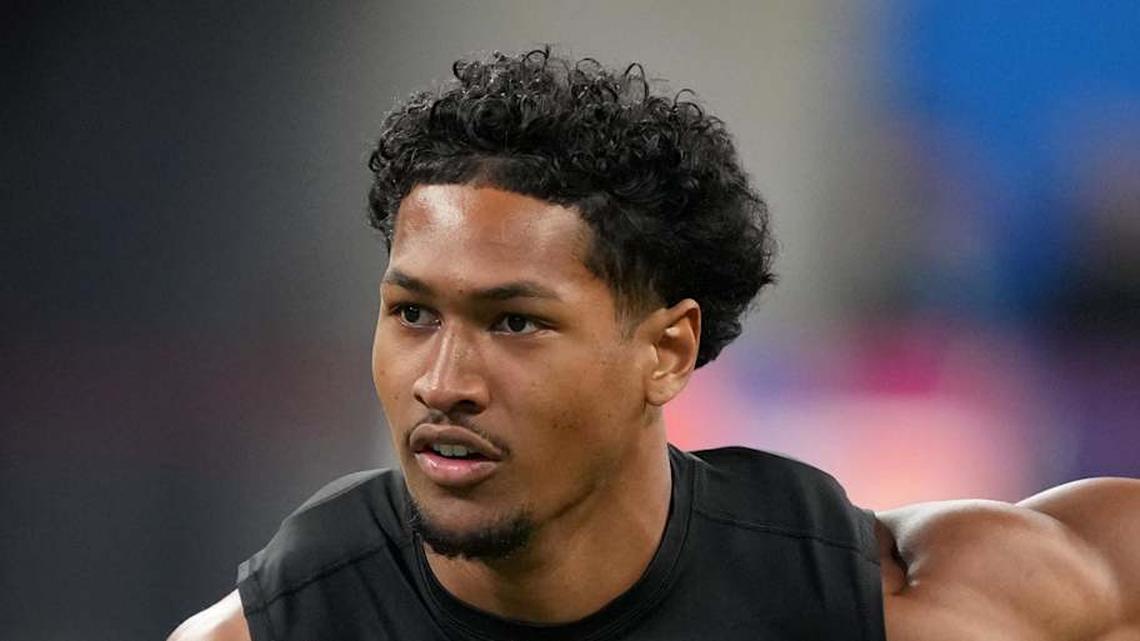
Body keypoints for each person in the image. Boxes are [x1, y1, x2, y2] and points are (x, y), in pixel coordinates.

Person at [169, 48, 1139, 641]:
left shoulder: (877, 602)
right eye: (414, 312)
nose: (444, 380)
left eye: (516, 321)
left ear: (668, 350)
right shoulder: (293, 622)